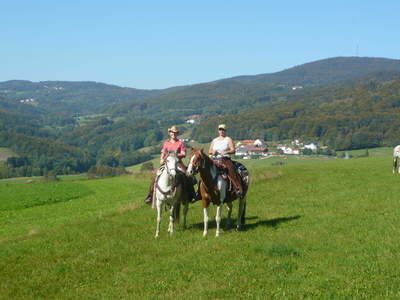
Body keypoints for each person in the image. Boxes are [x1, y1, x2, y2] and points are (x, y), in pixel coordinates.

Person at [144, 126, 196, 204]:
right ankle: (150, 196)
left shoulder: (180, 143)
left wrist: (175, 155)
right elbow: (163, 153)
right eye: (172, 132)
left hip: (178, 163)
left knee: (187, 176)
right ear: (170, 133)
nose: (173, 134)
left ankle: (191, 196)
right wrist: (161, 159)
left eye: (175, 132)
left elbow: (183, 154)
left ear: (177, 134)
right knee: (156, 177)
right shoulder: (166, 143)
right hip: (167, 163)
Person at [209, 124, 243, 196]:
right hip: (214, 159)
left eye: (223, 129)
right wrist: (213, 152)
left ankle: (237, 188)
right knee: (204, 171)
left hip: (225, 159)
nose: (221, 131)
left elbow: (233, 150)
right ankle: (199, 192)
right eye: (220, 129)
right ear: (218, 131)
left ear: (225, 131)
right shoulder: (214, 140)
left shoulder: (228, 139)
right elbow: (209, 151)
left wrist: (226, 152)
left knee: (231, 170)